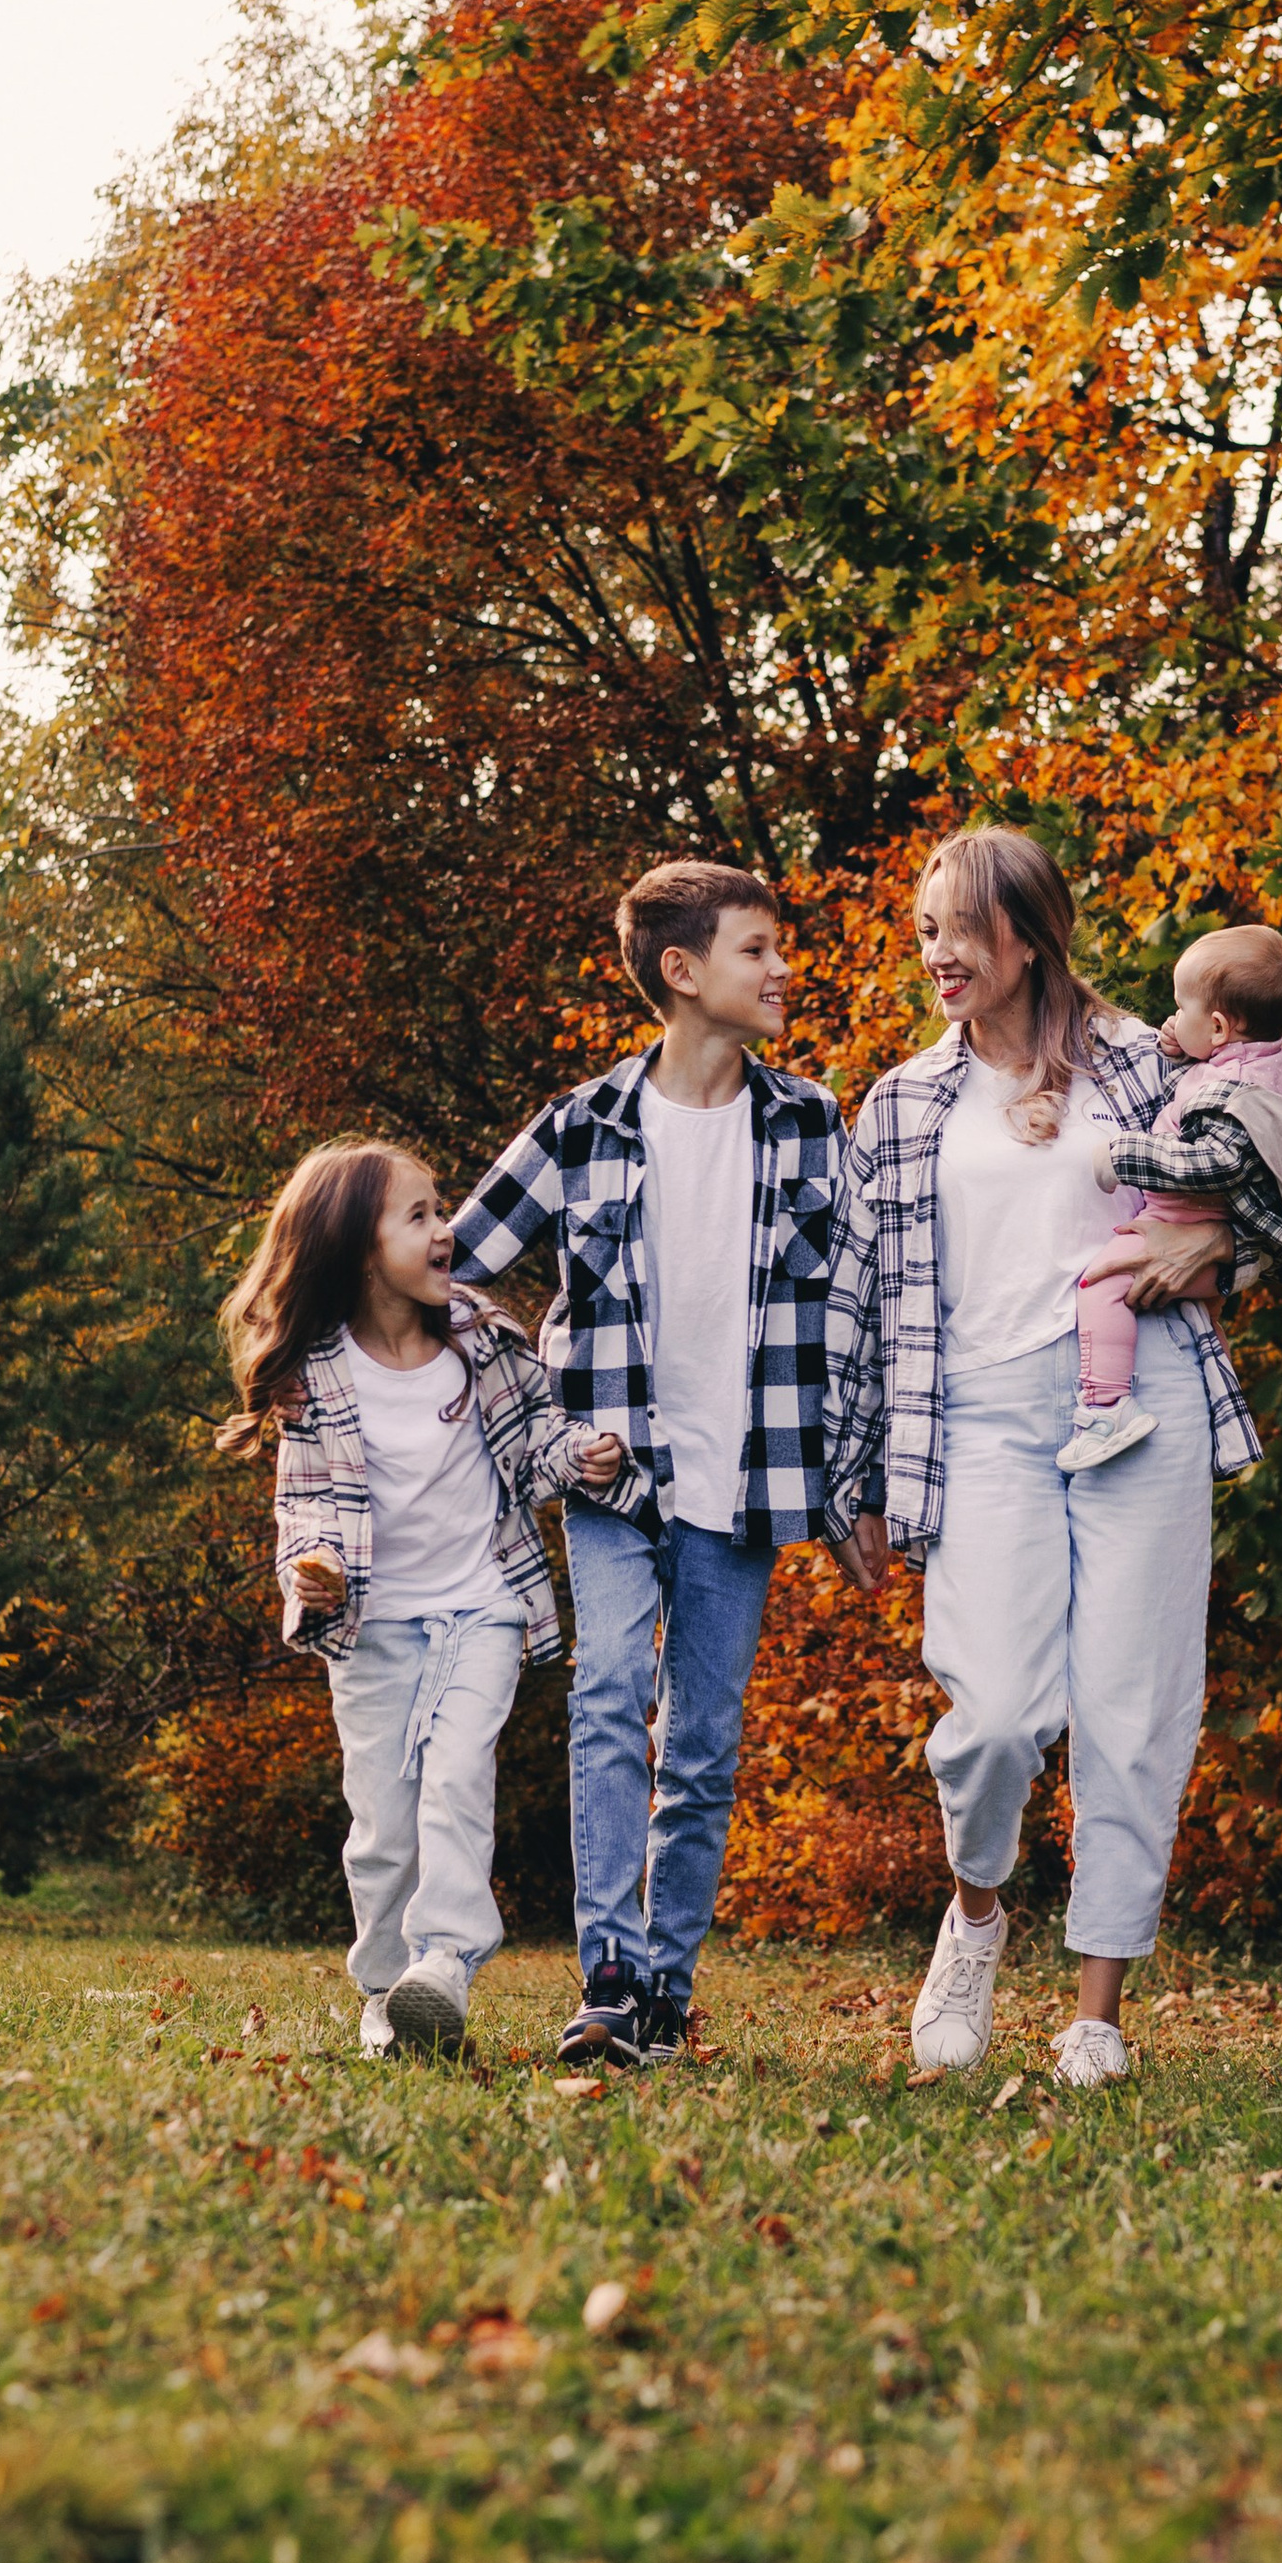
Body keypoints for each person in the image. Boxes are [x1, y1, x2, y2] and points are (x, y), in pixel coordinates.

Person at [821, 831, 1282, 2087]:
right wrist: (850, 1476)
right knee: (996, 1720)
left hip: (1144, 1403)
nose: (935, 955)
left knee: (1135, 1712)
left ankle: (1098, 2013)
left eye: (956, 930)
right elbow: (861, 1304)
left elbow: (1278, 1187)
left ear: (1024, 935)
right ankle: (974, 1921)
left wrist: (1218, 1259)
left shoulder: (1147, 1061)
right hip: (974, 1419)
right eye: (922, 931)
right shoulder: (905, 1103)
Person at [451, 861, 845, 2071]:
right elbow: (455, 1264)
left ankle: (665, 1989)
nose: (782, 970)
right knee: (610, 1694)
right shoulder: (581, 1126)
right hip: (616, 1478)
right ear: (681, 973)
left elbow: (858, 1304)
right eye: (756, 949)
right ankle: (610, 1976)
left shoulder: (809, 1121)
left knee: (706, 1742)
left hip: (749, 1481)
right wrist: (537, 1405)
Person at [217, 1139, 628, 2062]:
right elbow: (307, 1504)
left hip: (483, 1605)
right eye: (418, 1216)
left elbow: (532, 1446)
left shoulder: (481, 1337)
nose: (446, 1231)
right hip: (371, 1628)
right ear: (361, 1249)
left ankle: (443, 1961)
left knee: (455, 1781)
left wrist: (581, 1458)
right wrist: (313, 1565)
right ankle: (383, 1996)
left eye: (440, 1211)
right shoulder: (316, 1374)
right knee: (383, 1824)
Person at [1062, 921, 1282, 1472]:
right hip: (1195, 1236)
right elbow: (1205, 1073)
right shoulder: (1258, 1060)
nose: (1170, 1019)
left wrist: (1123, 1155)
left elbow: (1216, 1162)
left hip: (1177, 1225)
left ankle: (1105, 1407)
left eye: (1180, 1009)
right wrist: (1182, 1045)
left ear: (1218, 1027)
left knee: (1099, 1287)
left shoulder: (1239, 1093)